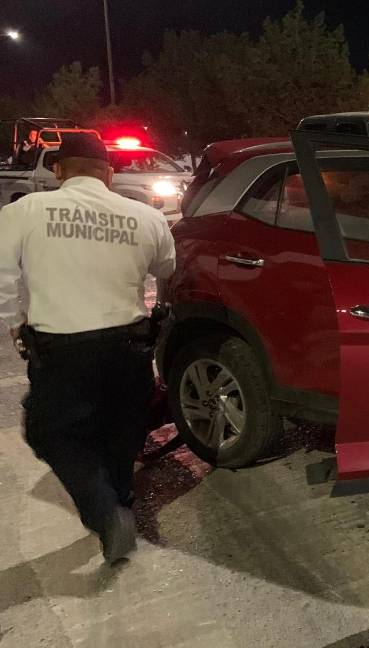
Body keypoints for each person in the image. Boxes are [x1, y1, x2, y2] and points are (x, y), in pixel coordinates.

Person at [0, 133, 176, 564]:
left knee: (51, 432)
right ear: (110, 174)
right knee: (122, 427)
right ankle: (121, 500)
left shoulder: (23, 212)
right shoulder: (145, 216)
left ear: (58, 170)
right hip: (130, 345)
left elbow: (2, 278)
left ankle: (106, 512)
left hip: (63, 348)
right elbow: (167, 267)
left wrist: (13, 325)